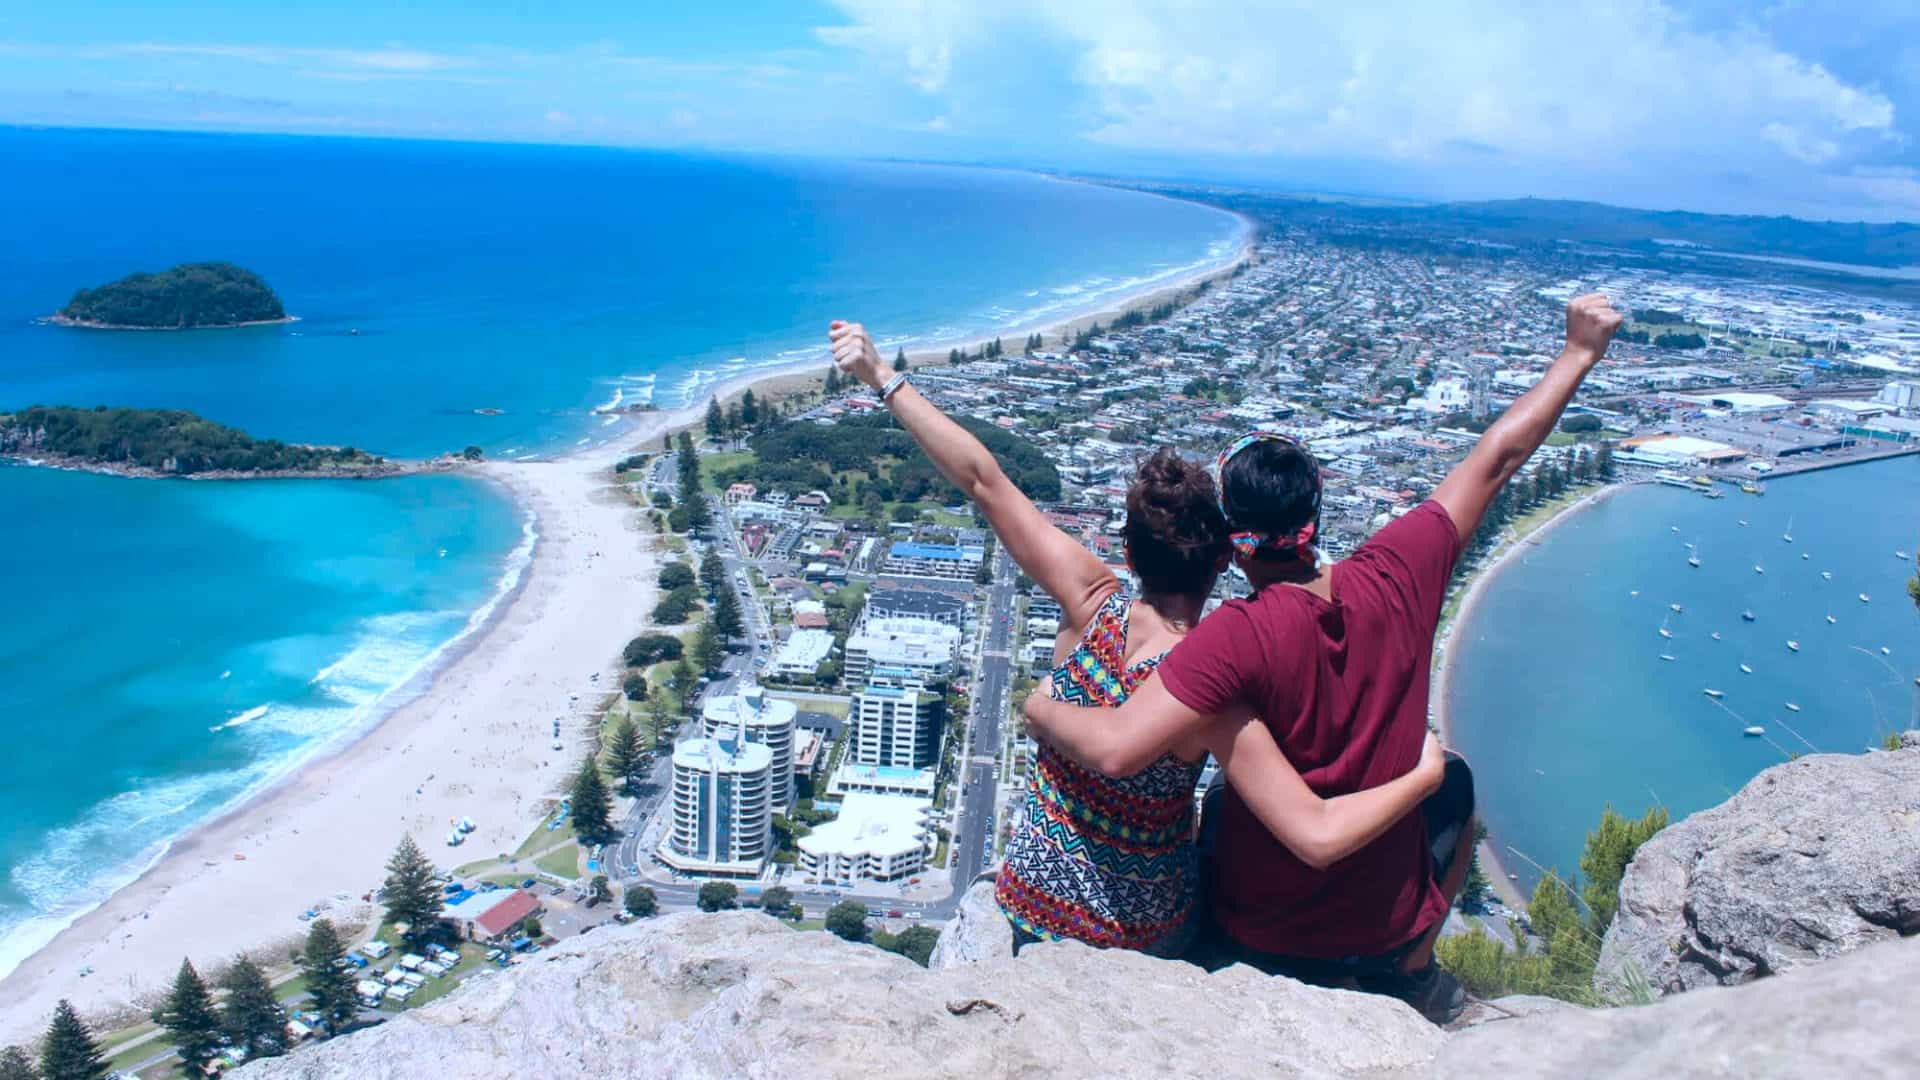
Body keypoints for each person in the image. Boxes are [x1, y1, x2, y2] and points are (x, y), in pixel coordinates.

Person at [1022, 294, 1624, 1019]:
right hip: (1383, 924)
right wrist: (1578, 354)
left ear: (1232, 544)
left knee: (1214, 797)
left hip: (1261, 935)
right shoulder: (1403, 565)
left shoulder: (1233, 637)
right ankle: (1414, 964)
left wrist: (1041, 705)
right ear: (1315, 514)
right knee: (1454, 785)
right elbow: (1498, 457)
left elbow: (1118, 750)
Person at [828, 320, 1448, 958]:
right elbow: (1313, 827)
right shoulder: (1212, 691)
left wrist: (883, 377)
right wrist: (1424, 774)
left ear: (1126, 551)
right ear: (1223, 563)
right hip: (1143, 940)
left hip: (1029, 907)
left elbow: (983, 480)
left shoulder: (1090, 602)